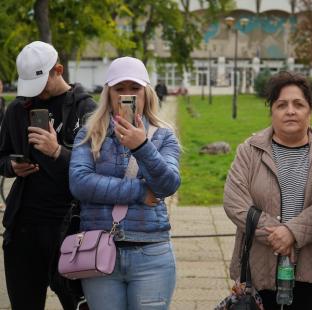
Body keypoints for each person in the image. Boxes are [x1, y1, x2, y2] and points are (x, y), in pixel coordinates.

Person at [69, 56, 180, 309]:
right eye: (119, 89)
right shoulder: (90, 133)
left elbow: (168, 184)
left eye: (134, 89)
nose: (127, 95)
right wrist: (140, 191)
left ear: (146, 93)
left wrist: (141, 146)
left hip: (151, 253)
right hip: (98, 252)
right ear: (108, 94)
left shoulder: (163, 135)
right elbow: (80, 183)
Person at [224, 71, 312, 309]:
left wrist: (293, 233)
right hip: (257, 268)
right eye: (282, 104)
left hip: (310, 268)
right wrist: (277, 236)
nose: (290, 111)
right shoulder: (250, 151)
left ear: (310, 110)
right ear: (271, 111)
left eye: (298, 104)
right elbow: (235, 203)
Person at [0, 41, 96, 309]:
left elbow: (96, 168)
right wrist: (12, 167)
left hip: (70, 227)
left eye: (41, 85)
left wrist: (57, 152)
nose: (36, 95)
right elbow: (1, 155)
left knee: (77, 304)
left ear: (58, 70)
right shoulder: (17, 109)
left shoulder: (85, 109)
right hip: (23, 227)